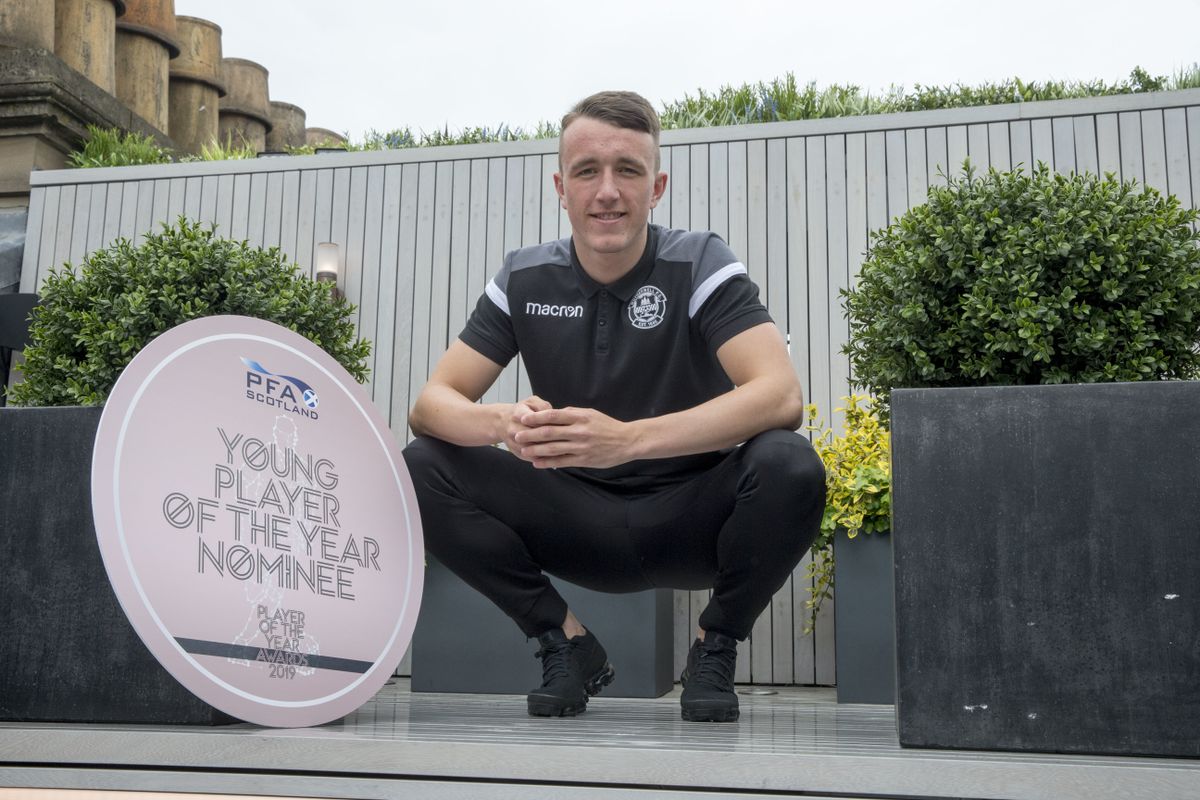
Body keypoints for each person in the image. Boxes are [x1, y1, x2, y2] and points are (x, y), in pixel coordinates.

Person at [402, 90, 825, 723]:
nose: (607, 191)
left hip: (690, 518)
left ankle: (715, 647)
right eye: (587, 172)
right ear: (561, 188)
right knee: (423, 462)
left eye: (627, 170)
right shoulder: (524, 276)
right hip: (574, 520)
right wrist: (505, 423)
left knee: (789, 462)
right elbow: (432, 403)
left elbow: (780, 394)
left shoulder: (700, 260)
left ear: (656, 187)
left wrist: (626, 440)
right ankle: (564, 643)